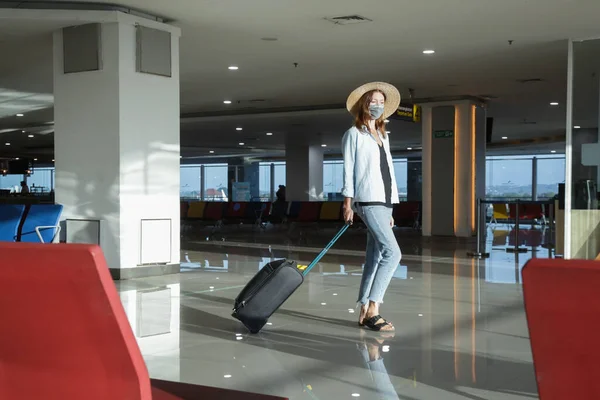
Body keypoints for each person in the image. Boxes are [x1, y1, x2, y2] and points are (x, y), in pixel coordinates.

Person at [341, 82, 402, 332]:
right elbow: (349, 170)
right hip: (367, 200)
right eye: (372, 101)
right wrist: (348, 202)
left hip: (384, 201)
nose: (377, 105)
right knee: (393, 254)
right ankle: (375, 308)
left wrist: (391, 207)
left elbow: (388, 173)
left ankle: (364, 307)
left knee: (375, 256)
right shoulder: (354, 134)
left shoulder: (383, 136)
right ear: (363, 105)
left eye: (380, 101)